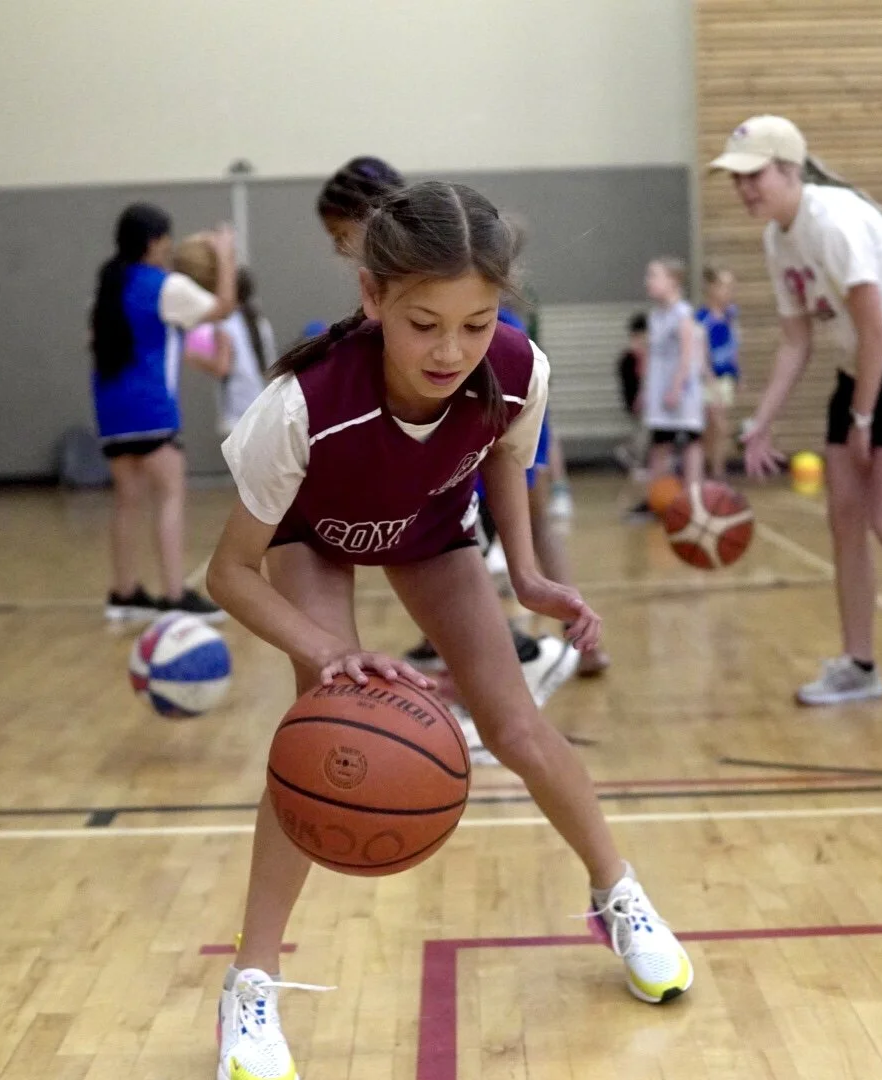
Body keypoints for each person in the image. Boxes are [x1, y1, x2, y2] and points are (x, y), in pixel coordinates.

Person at [206, 181, 692, 1080]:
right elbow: (227, 572)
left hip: (430, 530)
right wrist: (326, 653)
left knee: (516, 726)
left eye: (476, 324)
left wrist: (531, 570)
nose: (451, 350)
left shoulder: (517, 368)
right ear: (373, 298)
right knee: (318, 731)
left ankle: (617, 894)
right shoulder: (301, 406)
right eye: (424, 322)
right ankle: (251, 982)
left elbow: (505, 452)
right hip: (314, 537)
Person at [716, 115, 882, 710]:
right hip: (860, 369)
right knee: (844, 518)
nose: (744, 190)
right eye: (736, 180)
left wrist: (863, 421)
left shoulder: (833, 222)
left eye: (753, 176)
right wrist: (762, 419)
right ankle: (859, 665)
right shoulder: (777, 239)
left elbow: (876, 328)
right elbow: (796, 340)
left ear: (789, 169)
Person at [315, 157, 584, 701]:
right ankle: (525, 660)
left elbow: (515, 409)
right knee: (491, 575)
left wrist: (532, 460)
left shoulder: (481, 332)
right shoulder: (405, 320)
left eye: (341, 235)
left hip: (478, 464)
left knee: (491, 578)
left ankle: (529, 661)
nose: (339, 250)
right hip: (456, 470)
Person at [89, 204, 235, 623]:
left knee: (127, 501)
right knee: (170, 495)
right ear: (154, 242)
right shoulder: (163, 285)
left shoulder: (110, 285)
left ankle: (125, 592)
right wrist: (224, 254)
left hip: (110, 408)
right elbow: (223, 306)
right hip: (150, 406)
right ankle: (174, 594)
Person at [639, 257, 706, 509]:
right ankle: (654, 498)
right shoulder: (656, 316)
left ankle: (694, 497)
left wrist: (677, 387)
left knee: (690, 441)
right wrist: (645, 390)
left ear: (673, 281)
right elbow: (651, 355)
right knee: (659, 443)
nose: (648, 282)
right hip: (659, 390)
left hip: (682, 392)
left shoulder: (682, 313)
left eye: (654, 276)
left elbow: (688, 354)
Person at [185, 268, 279, 437]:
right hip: (263, 405)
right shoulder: (260, 321)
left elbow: (222, 367)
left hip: (239, 409)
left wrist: (195, 359)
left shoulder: (226, 324)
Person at [696, 267, 741, 480]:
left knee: (717, 428)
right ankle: (714, 472)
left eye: (731, 287)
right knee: (718, 425)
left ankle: (713, 470)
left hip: (725, 377)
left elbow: (733, 346)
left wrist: (739, 374)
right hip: (708, 379)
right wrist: (708, 378)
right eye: (724, 286)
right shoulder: (702, 318)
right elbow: (700, 353)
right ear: (711, 289)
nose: (729, 291)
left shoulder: (731, 315)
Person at [613, 311, 648, 474]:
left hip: (642, 399)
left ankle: (637, 460)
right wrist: (635, 399)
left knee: (643, 433)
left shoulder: (640, 355)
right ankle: (634, 461)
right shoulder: (632, 357)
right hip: (637, 399)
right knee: (641, 435)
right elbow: (633, 381)